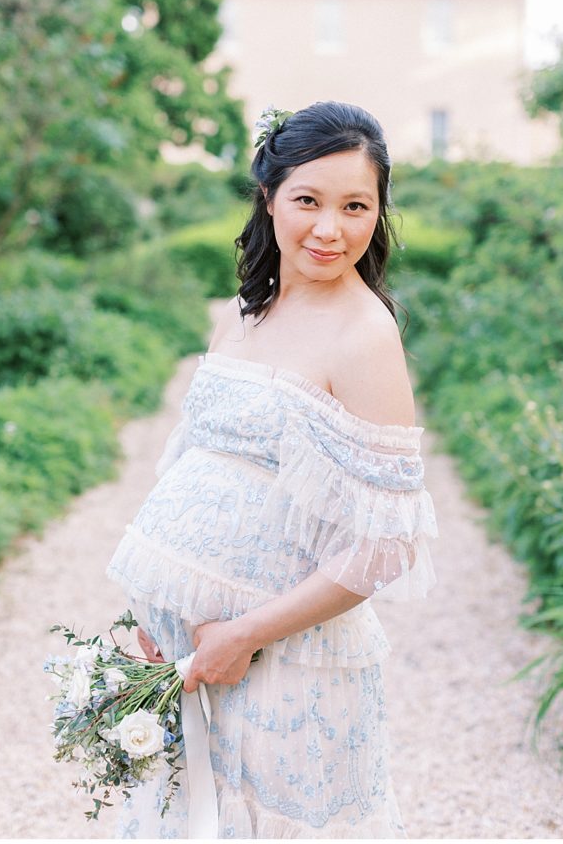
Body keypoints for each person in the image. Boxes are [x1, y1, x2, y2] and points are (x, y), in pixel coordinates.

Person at [106, 100, 438, 839]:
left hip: (286, 659)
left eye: (356, 206)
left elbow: (388, 544)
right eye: (308, 201)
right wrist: (153, 605)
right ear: (269, 196)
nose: (330, 229)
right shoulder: (240, 313)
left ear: (379, 213)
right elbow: (193, 465)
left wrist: (247, 633)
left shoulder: (365, 336)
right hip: (185, 648)